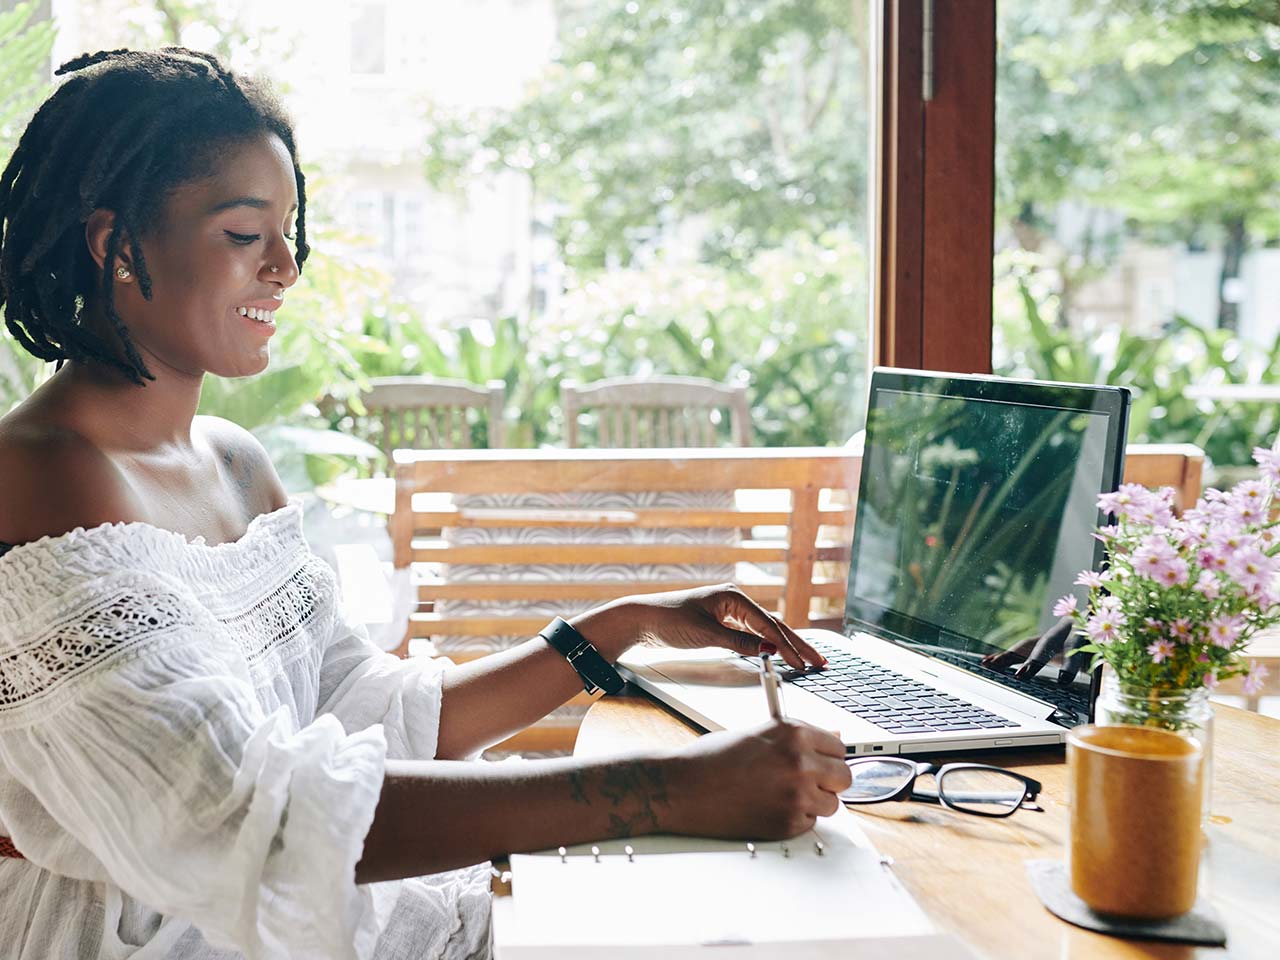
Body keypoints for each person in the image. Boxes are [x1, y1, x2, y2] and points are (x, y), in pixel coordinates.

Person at [0, 49, 851, 959]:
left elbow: (359, 705)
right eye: (246, 235)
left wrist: (615, 630)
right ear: (115, 243)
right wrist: (661, 788)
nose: (286, 267)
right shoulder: (43, 474)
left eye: (288, 232)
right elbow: (237, 816)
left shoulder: (236, 464)